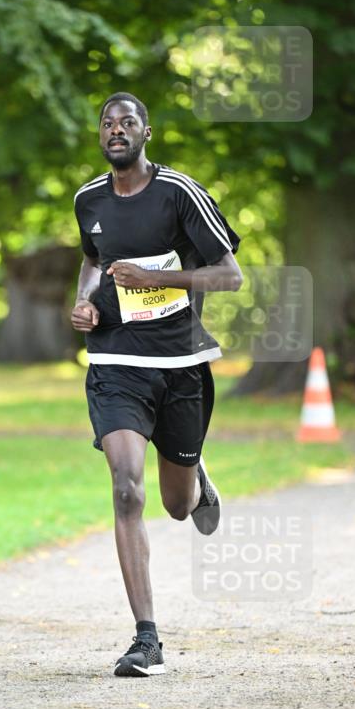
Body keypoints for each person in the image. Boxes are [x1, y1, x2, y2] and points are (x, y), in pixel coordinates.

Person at [71, 92, 242, 678]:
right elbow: (93, 259)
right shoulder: (88, 199)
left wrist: (152, 276)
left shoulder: (178, 193)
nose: (116, 131)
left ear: (147, 132)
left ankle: (196, 478)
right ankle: (147, 639)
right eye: (107, 123)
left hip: (180, 364)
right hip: (115, 362)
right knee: (125, 489)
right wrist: (85, 301)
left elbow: (230, 275)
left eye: (127, 123)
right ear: (101, 135)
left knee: (175, 505)